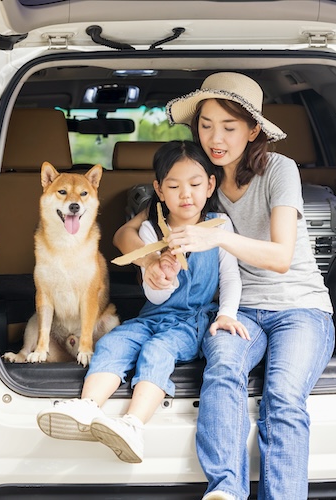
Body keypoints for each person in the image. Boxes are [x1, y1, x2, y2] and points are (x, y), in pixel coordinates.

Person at [113, 73, 335, 499]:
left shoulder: (279, 170)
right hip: (237, 311)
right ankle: (226, 490)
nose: (216, 138)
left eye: (229, 128)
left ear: (253, 131)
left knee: (283, 398)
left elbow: (281, 257)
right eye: (206, 125)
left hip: (300, 309)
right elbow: (127, 233)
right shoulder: (196, 180)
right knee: (222, 372)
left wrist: (216, 236)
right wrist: (148, 263)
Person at [36, 140, 248, 464]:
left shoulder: (220, 226)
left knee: (157, 351)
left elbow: (231, 277)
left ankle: (133, 423)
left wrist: (227, 314)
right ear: (159, 191)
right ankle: (87, 405)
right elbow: (154, 295)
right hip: (153, 314)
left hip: (192, 320)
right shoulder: (151, 230)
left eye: (194, 185)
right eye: (174, 186)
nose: (185, 194)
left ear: (210, 185)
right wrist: (162, 276)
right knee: (115, 341)